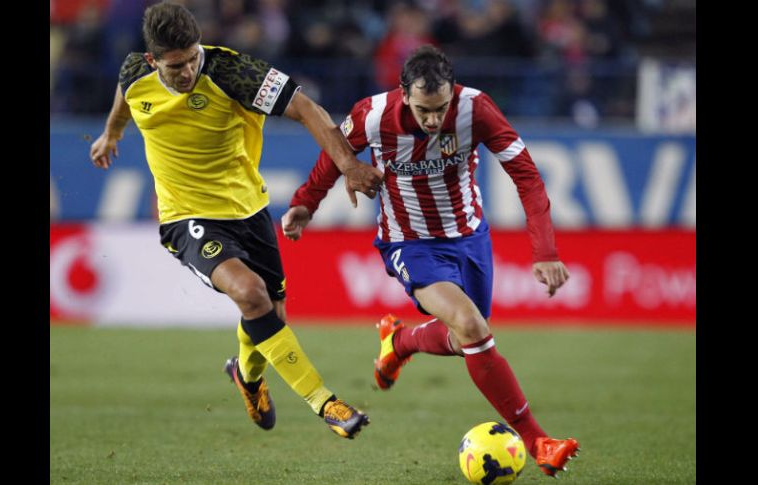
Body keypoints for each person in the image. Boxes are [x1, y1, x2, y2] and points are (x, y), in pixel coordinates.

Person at [281, 45, 580, 476]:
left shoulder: (476, 109)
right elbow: (335, 155)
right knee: (473, 326)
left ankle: (399, 342)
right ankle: (538, 442)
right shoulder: (373, 114)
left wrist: (545, 251)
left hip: (469, 236)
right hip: (409, 242)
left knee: (465, 340)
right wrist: (305, 203)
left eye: (441, 109)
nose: (434, 120)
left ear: (452, 94)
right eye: (424, 110)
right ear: (404, 93)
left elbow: (527, 176)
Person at [89, 1, 383, 439]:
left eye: (192, 59)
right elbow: (125, 92)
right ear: (153, 60)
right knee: (250, 294)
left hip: (249, 211)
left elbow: (306, 108)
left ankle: (245, 376)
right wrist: (112, 132)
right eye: (175, 66)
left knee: (269, 315)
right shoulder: (136, 72)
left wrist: (349, 165)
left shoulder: (232, 72)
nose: (187, 71)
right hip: (185, 216)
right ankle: (326, 403)